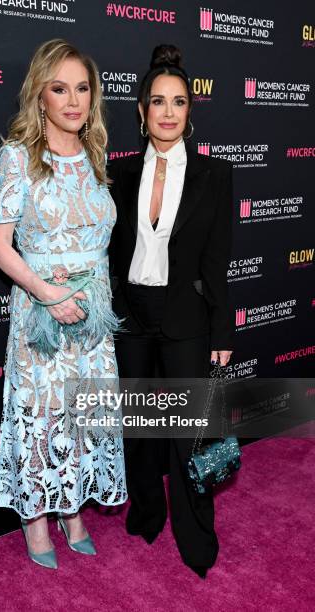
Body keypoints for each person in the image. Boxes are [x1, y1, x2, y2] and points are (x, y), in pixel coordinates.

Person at [0, 38, 127, 570]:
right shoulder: (17, 157)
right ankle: (36, 519)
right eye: (59, 88)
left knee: (84, 412)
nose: (73, 100)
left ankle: (72, 511)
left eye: (83, 88)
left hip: (91, 315)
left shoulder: (95, 154)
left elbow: (97, 240)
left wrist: (88, 293)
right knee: (41, 416)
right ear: (39, 96)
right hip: (42, 313)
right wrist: (48, 292)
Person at [108, 44, 234, 579]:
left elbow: (218, 258)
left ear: (190, 110)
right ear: (140, 111)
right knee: (138, 428)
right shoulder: (116, 171)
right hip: (131, 316)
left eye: (177, 102)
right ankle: (147, 512)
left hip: (186, 317)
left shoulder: (215, 174)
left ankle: (197, 535)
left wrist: (222, 329)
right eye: (156, 101)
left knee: (188, 433)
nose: (166, 112)